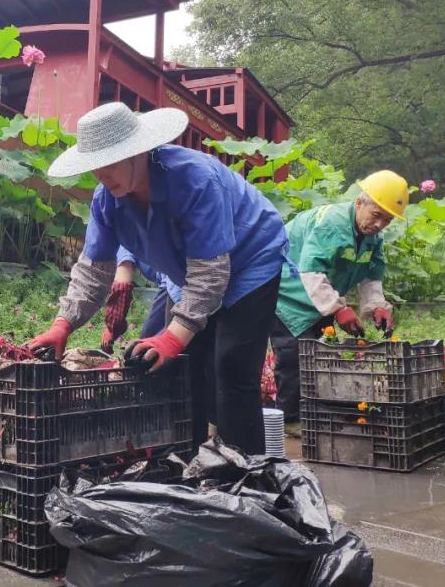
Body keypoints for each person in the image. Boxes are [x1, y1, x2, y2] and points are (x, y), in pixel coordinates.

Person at [26, 101, 288, 455]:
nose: (103, 175)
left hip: (251, 260)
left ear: (140, 152)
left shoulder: (195, 180)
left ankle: (246, 481)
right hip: (188, 273)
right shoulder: (106, 201)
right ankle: (187, 463)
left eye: (112, 162)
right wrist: (63, 324)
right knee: (179, 371)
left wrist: (173, 337)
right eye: (95, 167)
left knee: (231, 367)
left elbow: (211, 273)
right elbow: (94, 269)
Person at [269, 170, 407, 435]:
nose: (379, 225)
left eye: (387, 220)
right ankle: (290, 420)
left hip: (319, 295)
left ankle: (312, 411)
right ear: (359, 203)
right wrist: (339, 309)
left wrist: (376, 305)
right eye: (376, 215)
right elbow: (310, 270)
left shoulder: (373, 238)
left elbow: (370, 274)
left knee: (318, 354)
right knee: (294, 354)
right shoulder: (332, 223)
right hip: (287, 290)